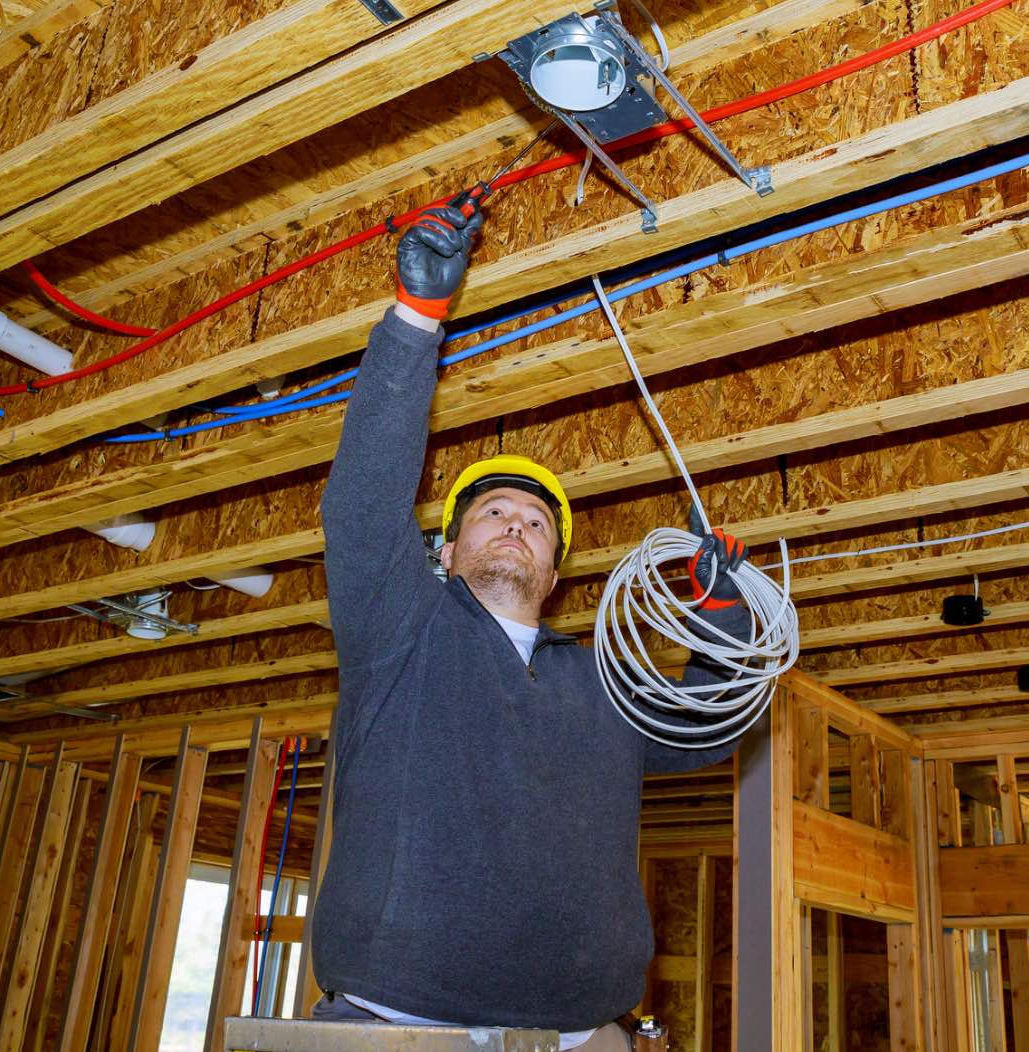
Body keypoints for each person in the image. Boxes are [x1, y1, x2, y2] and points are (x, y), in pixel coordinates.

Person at [306, 203, 753, 1049]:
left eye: (536, 524)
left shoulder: (600, 684)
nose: (516, 523)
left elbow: (704, 730)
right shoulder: (401, 633)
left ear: (552, 575)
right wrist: (413, 323)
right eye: (492, 512)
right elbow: (362, 504)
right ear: (444, 552)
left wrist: (724, 619)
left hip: (582, 1034)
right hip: (399, 1022)